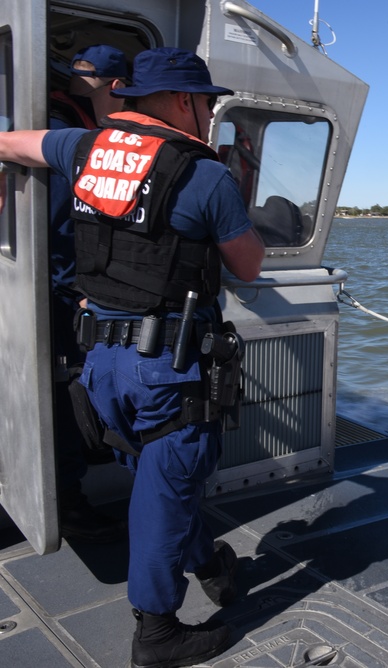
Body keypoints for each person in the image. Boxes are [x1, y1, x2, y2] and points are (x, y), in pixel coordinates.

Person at [0, 47, 264, 667]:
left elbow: (8, 144)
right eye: (208, 103)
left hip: (101, 366)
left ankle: (208, 563)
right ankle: (157, 630)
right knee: (166, 489)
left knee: (158, 475)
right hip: (167, 369)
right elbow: (248, 267)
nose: (210, 114)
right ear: (182, 102)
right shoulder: (205, 176)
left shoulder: (84, 149)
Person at [49, 44, 130, 544]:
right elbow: (61, 234)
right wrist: (80, 293)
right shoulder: (72, 138)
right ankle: (68, 500)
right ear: (116, 87)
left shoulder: (58, 128)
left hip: (63, 284)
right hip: (62, 293)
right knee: (68, 385)